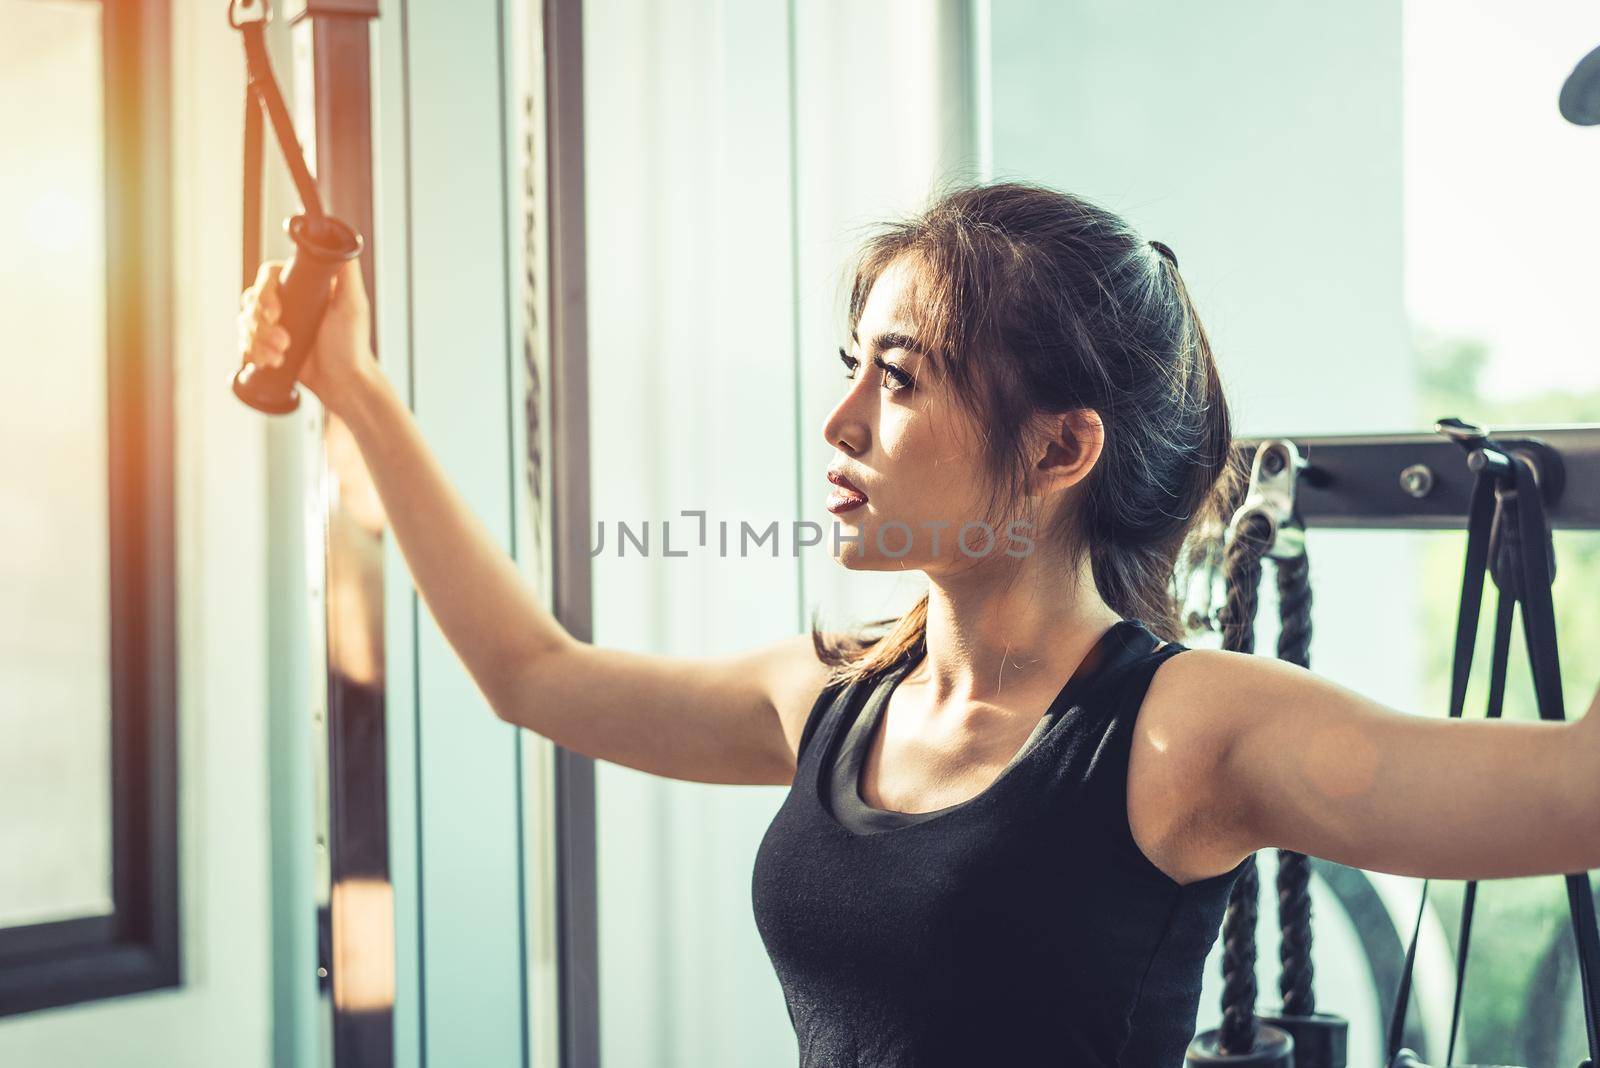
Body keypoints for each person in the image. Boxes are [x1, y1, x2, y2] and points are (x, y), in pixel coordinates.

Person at [239, 179, 1600, 1067]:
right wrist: (354, 387)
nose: (838, 425)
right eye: (851, 370)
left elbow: (1577, 796)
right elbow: (534, 674)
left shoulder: (1182, 730)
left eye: (898, 380)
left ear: (1063, 446)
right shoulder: (836, 694)